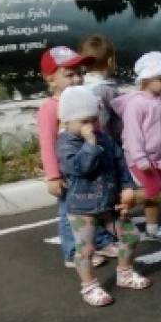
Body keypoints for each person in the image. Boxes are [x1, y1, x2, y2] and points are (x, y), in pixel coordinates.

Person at [56, 85, 149, 307]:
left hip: (109, 202)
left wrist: (127, 186)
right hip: (82, 207)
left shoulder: (104, 138)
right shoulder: (65, 144)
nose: (91, 126)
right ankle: (89, 286)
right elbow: (81, 167)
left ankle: (125, 272)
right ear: (67, 122)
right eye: (83, 122)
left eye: (93, 120)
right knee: (86, 249)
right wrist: (90, 145)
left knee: (130, 235)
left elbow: (119, 162)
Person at [36, 46, 117, 269]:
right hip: (69, 173)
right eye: (69, 75)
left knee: (97, 204)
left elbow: (99, 131)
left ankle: (100, 241)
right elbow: (47, 144)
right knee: (68, 212)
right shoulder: (50, 109)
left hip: (91, 165)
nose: (76, 79)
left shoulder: (87, 99)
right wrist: (52, 176)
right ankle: (73, 251)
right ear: (50, 80)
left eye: (79, 73)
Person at [113, 52, 161, 242]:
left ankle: (152, 228)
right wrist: (140, 159)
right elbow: (133, 135)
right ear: (145, 79)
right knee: (154, 190)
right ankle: (121, 204)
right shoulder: (136, 104)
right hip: (140, 158)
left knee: (156, 195)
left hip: (159, 157)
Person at [78, 34, 124, 144]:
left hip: (84, 139)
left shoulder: (80, 85)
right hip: (108, 143)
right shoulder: (106, 90)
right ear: (110, 62)